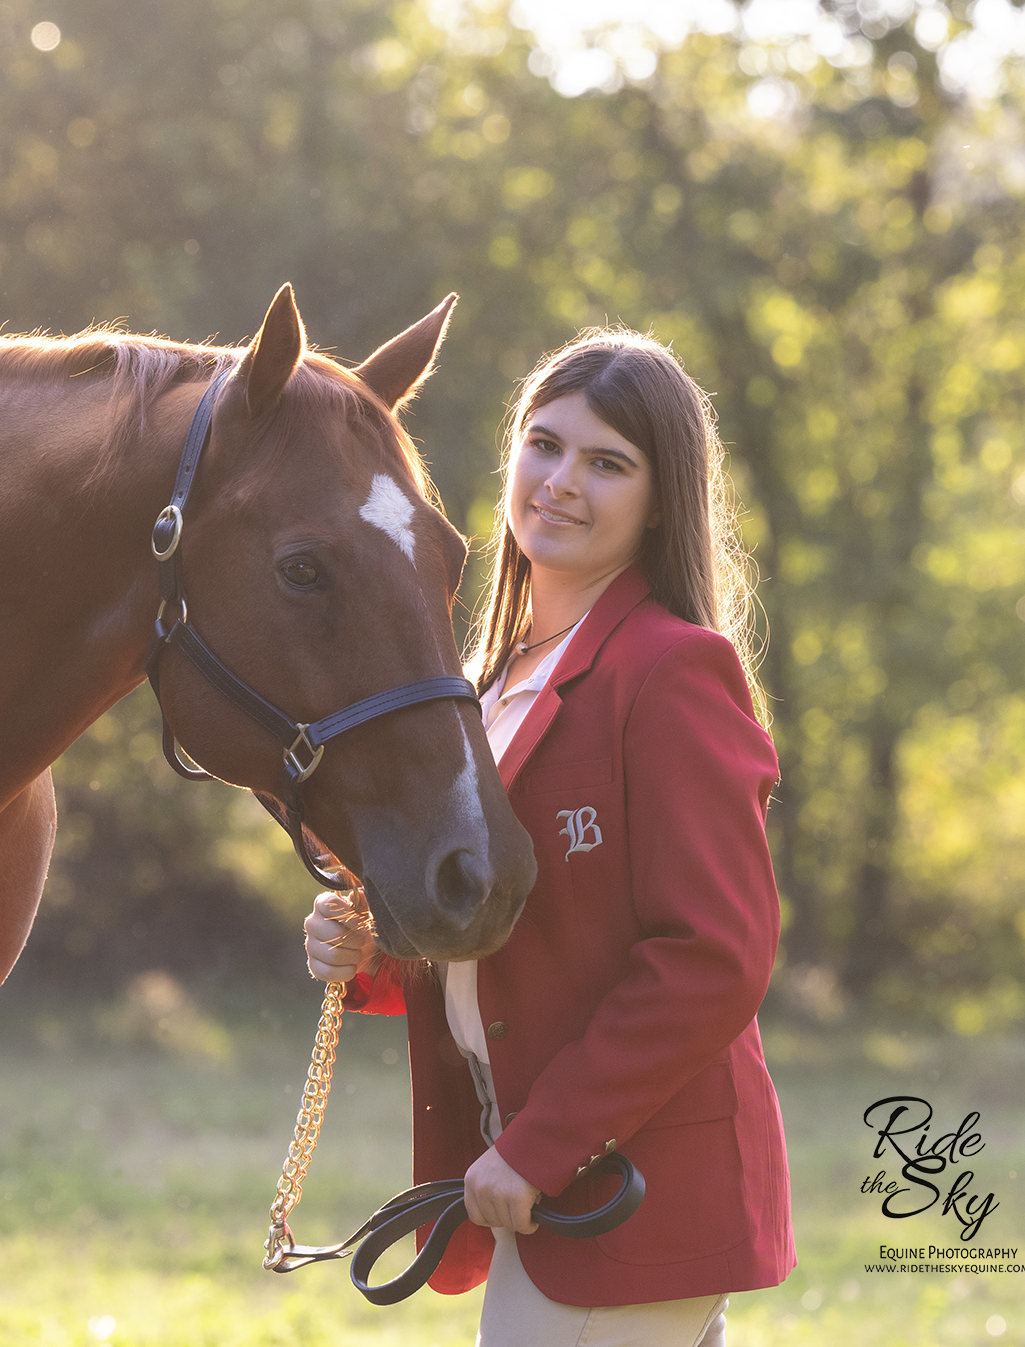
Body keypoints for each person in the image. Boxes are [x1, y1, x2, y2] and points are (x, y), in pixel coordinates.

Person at [305, 328, 792, 1346]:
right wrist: (372, 963)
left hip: (627, 1184)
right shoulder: (478, 681)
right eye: (545, 445)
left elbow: (712, 959)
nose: (562, 482)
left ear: (659, 499)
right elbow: (509, 938)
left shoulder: (672, 671)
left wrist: (542, 1147)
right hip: (537, 1170)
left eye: (607, 463)